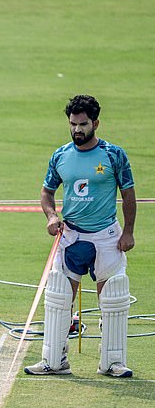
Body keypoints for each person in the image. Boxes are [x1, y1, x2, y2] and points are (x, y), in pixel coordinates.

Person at [25, 94, 136, 378]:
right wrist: (51, 216)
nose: (77, 130)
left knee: (112, 298)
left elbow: (128, 194)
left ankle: (111, 362)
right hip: (71, 236)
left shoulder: (114, 154)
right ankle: (54, 360)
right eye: (73, 124)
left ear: (96, 123)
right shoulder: (60, 155)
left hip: (106, 236)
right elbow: (46, 192)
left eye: (83, 124)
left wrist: (128, 232)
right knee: (60, 296)